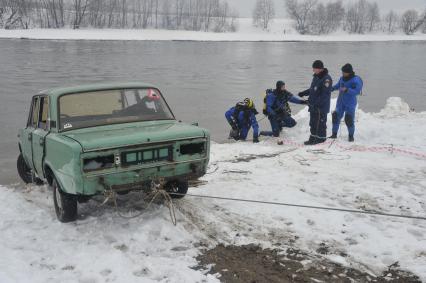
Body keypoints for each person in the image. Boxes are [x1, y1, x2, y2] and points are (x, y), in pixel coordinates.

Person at [298, 60, 333, 145]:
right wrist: (304, 93)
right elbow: (313, 89)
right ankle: (313, 138)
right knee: (313, 123)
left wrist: (315, 103)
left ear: (320, 69)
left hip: (321, 107)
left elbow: (325, 95)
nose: (313, 70)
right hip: (313, 106)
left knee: (319, 124)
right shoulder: (316, 77)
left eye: (314, 68)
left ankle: (320, 140)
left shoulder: (326, 79)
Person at [330, 63, 363, 142]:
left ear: (349, 72)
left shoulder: (356, 80)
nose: (343, 73)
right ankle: (334, 134)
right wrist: (331, 89)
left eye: (344, 72)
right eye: (342, 72)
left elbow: (357, 91)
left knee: (349, 119)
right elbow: (338, 85)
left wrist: (347, 90)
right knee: (335, 116)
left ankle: (351, 136)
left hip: (350, 103)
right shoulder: (342, 78)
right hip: (340, 102)